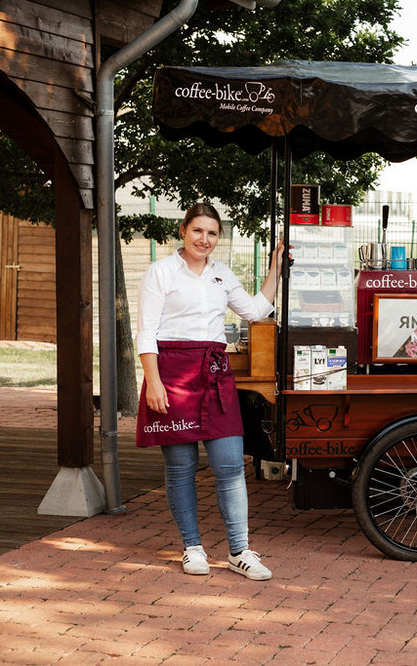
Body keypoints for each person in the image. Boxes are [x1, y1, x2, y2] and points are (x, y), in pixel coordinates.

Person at [136, 202, 286, 580]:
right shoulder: (160, 272)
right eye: (198, 230)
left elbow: (254, 311)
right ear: (184, 231)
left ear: (219, 238)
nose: (204, 239)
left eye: (212, 233)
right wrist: (153, 382)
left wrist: (275, 269)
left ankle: (239, 551)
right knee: (181, 468)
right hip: (171, 375)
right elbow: (147, 332)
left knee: (230, 465)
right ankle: (192, 547)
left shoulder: (222, 274)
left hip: (215, 375)